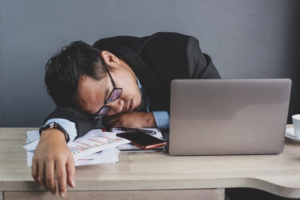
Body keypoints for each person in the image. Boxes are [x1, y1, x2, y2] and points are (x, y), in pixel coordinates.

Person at [32, 32, 221, 197]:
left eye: (112, 94)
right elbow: (74, 113)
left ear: (111, 59)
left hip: (206, 165)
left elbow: (221, 110)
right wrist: (52, 134)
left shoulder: (180, 52)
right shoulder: (90, 85)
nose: (118, 107)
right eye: (105, 109)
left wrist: (150, 119)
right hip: (138, 179)